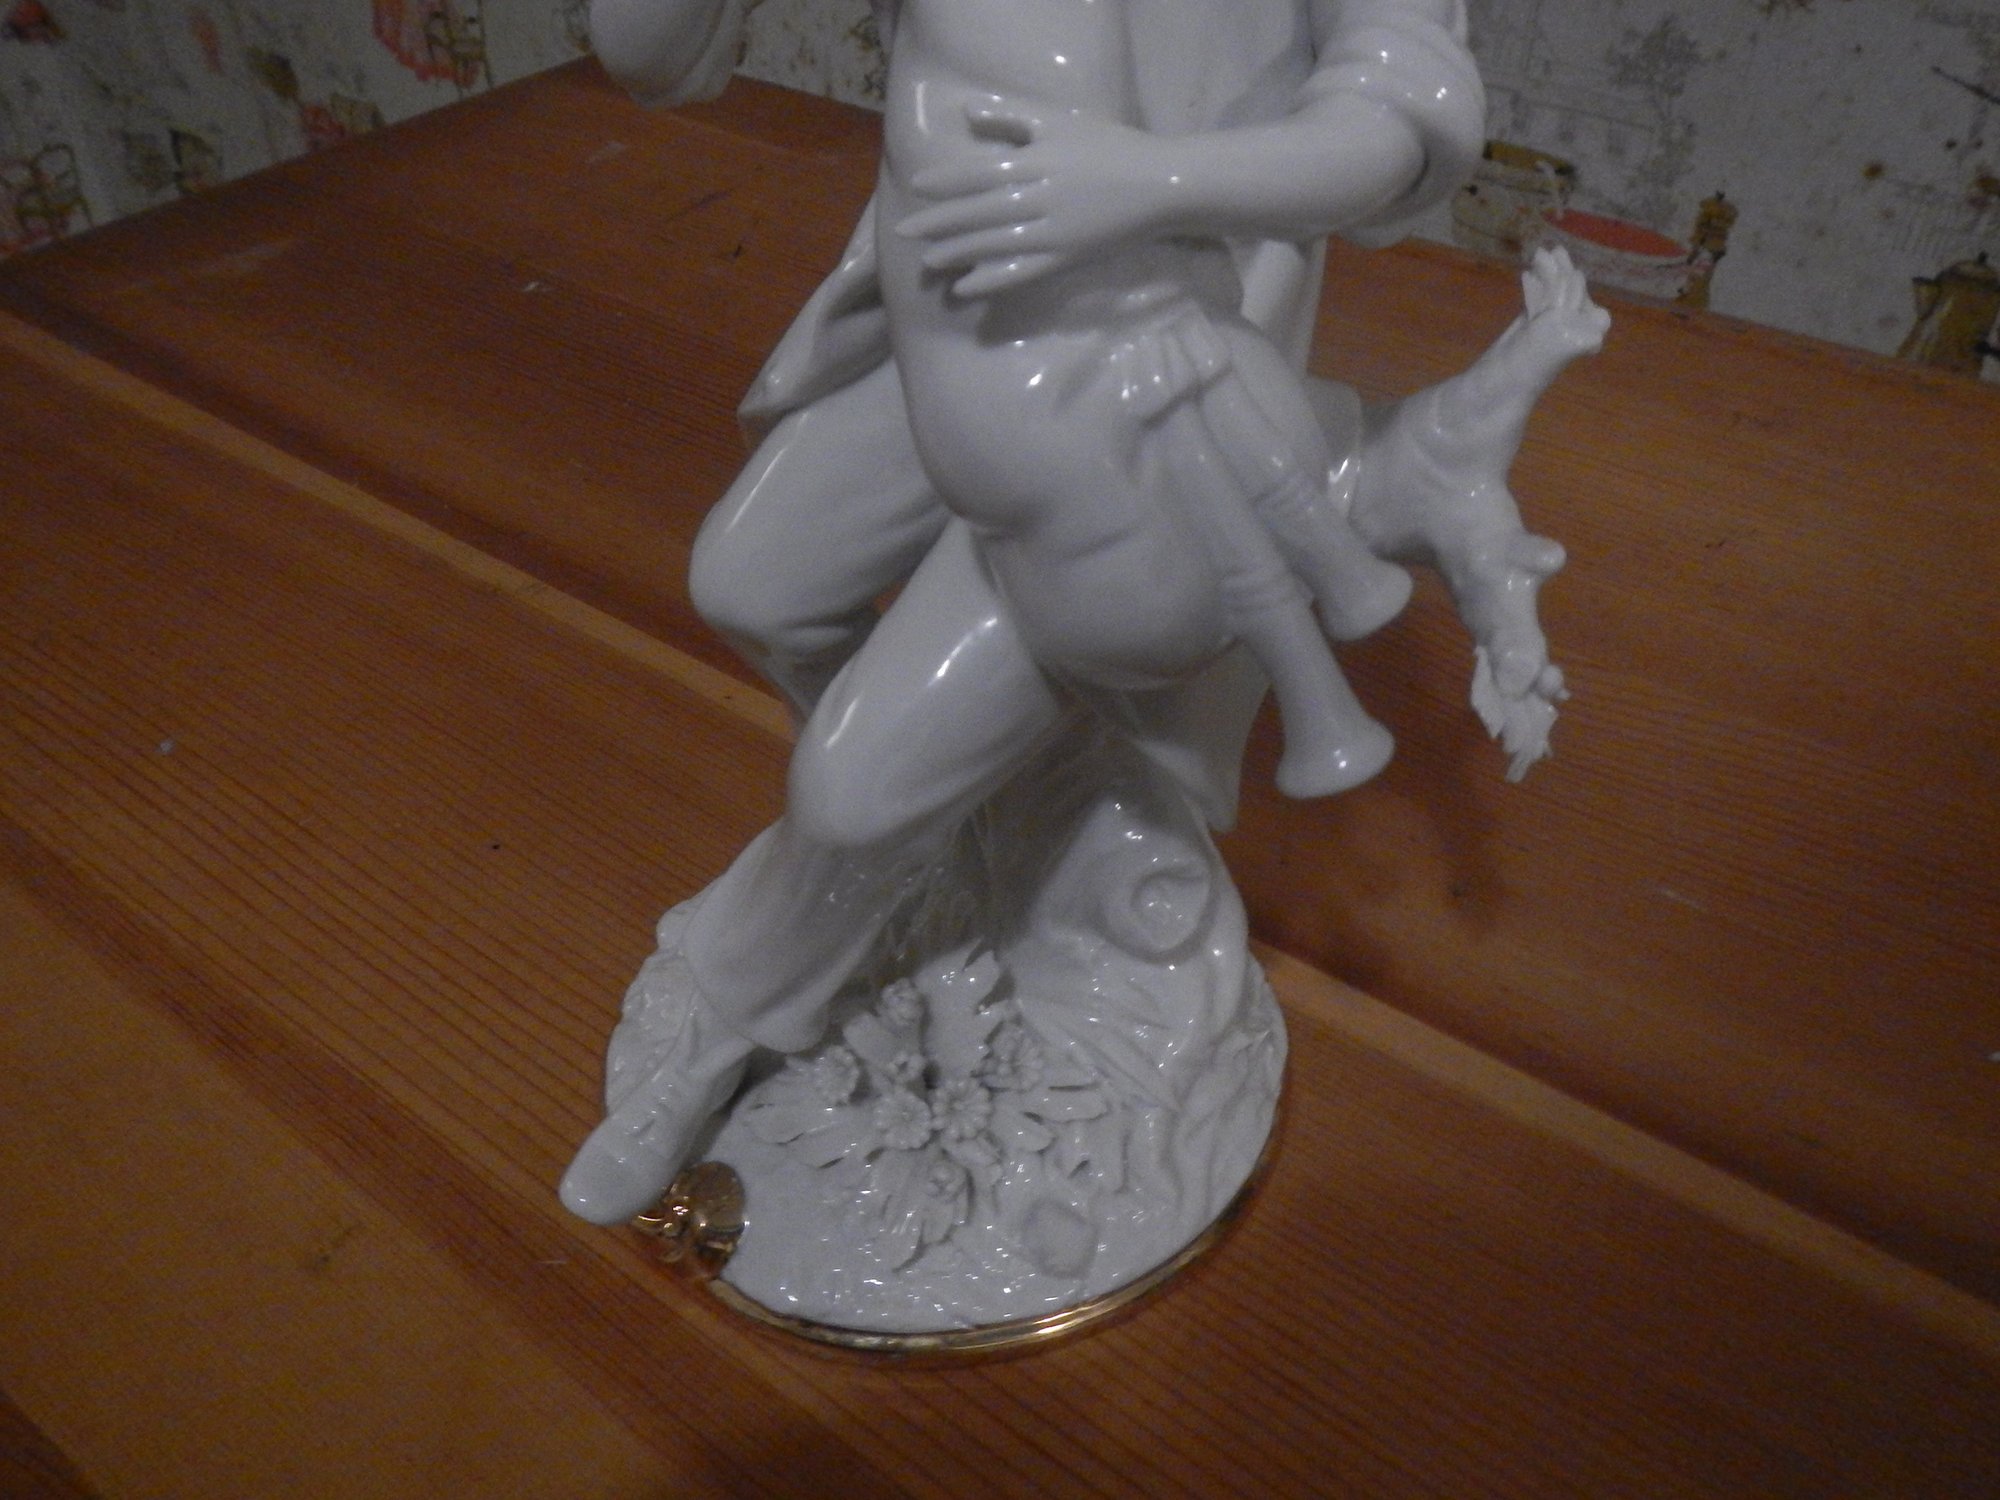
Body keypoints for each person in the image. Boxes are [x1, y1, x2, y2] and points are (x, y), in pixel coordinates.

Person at [561, 0, 1582, 1226]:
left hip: (1142, 360)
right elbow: (657, 59)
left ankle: (741, 1005)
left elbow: (1396, 128)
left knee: (848, 789)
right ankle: (956, 827)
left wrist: (1143, 183)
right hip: (961, 303)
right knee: (751, 586)